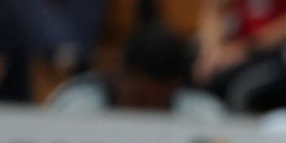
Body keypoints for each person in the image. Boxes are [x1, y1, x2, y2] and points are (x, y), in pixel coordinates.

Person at [45, 23, 225, 117]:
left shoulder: (204, 115)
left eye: (155, 104)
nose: (145, 113)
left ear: (174, 86)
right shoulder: (77, 106)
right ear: (122, 75)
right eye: (139, 99)